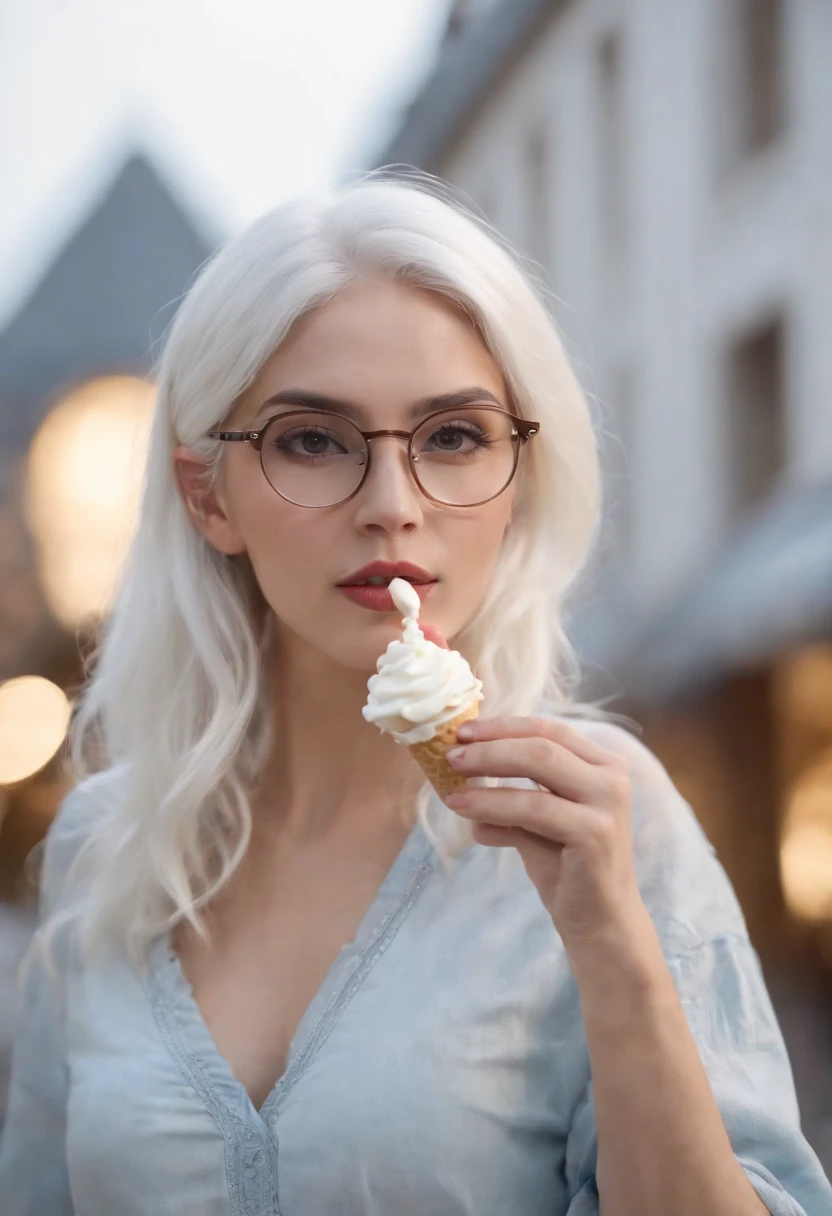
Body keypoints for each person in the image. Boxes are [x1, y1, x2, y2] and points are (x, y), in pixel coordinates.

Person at [1, 173, 830, 1216]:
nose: (392, 507)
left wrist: (615, 949)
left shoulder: (605, 819)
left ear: (517, 482)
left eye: (452, 437)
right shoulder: (102, 847)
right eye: (313, 439)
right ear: (209, 496)